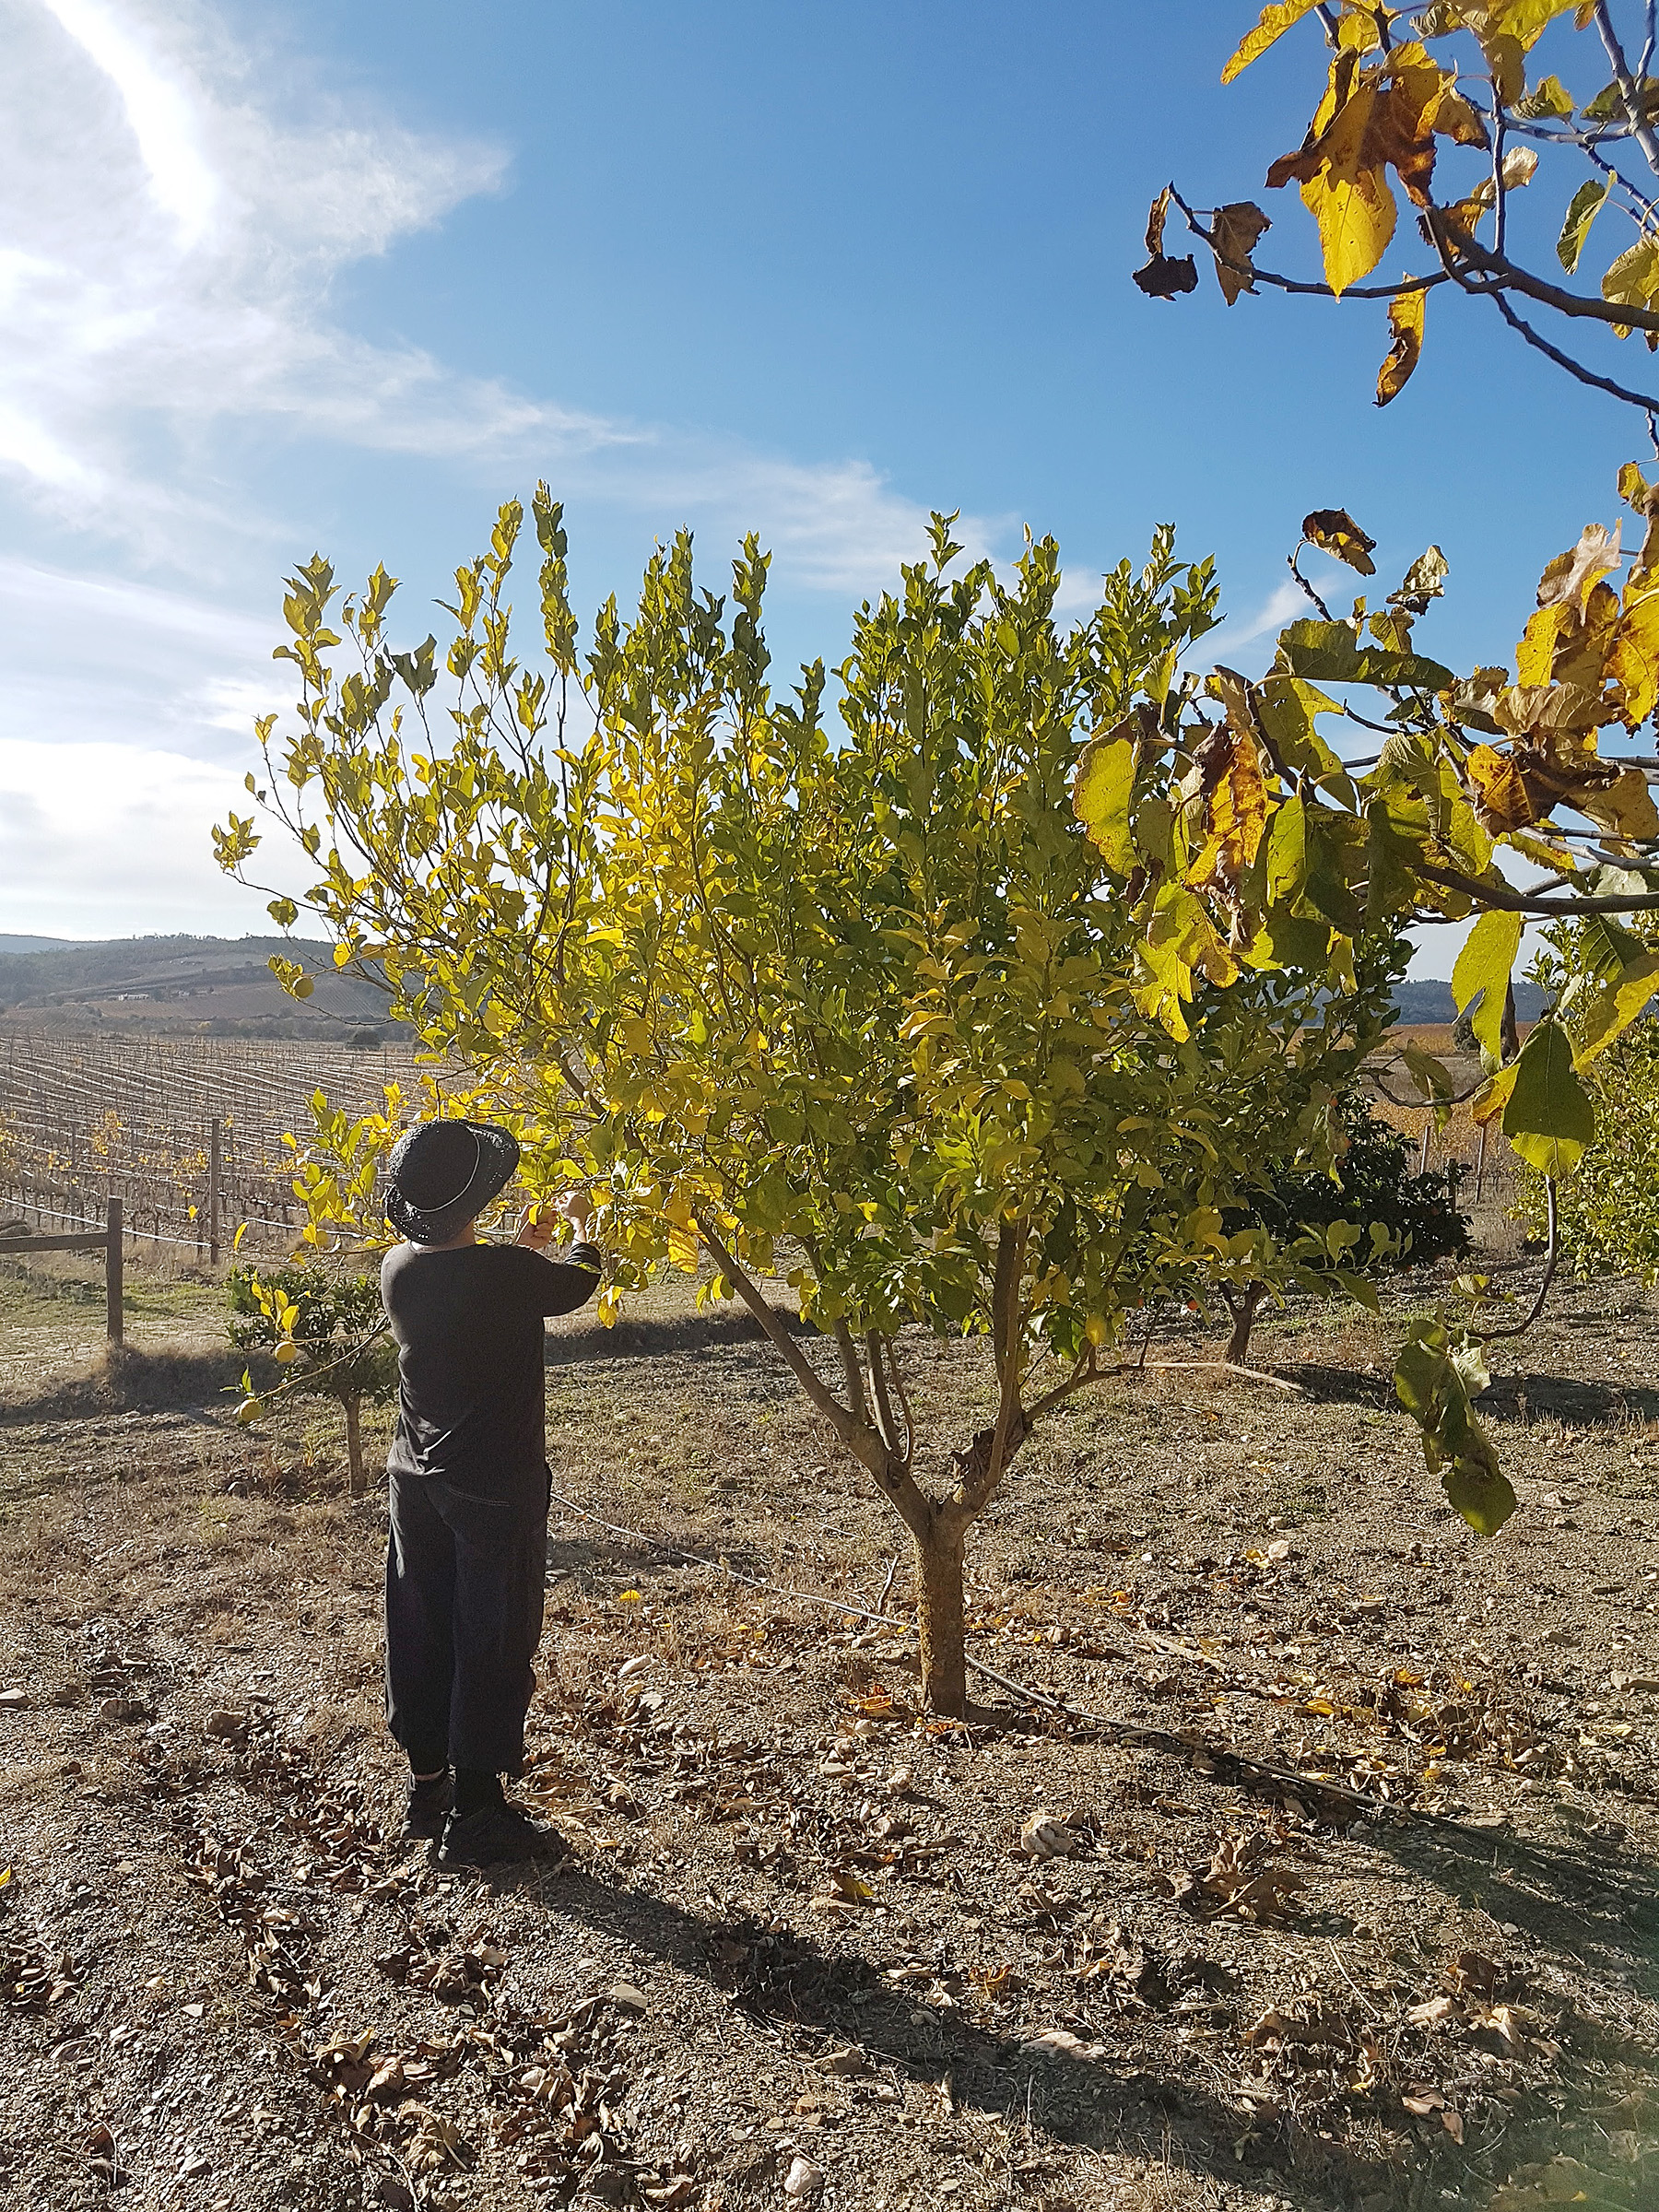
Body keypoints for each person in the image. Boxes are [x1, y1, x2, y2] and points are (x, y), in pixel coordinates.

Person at [379, 1117, 602, 1867]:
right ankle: (477, 1815)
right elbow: (577, 1281)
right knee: (493, 1636)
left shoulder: (399, 1269)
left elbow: (487, 1285)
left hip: (416, 1477)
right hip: (494, 1489)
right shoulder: (507, 1273)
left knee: (422, 1621)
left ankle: (428, 1784)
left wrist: (521, 1251)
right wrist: (581, 1224)